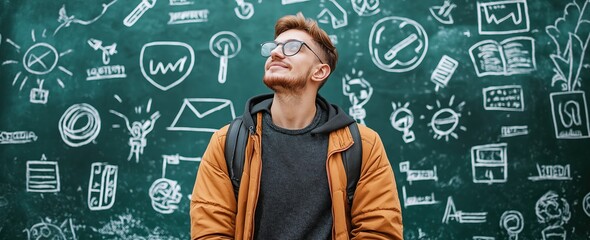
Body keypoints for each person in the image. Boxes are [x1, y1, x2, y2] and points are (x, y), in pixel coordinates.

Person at [190, 13, 403, 240]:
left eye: (292, 47)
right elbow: (210, 233)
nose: (275, 52)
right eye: (273, 47)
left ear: (319, 71)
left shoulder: (362, 145)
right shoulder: (229, 143)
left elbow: (380, 232)